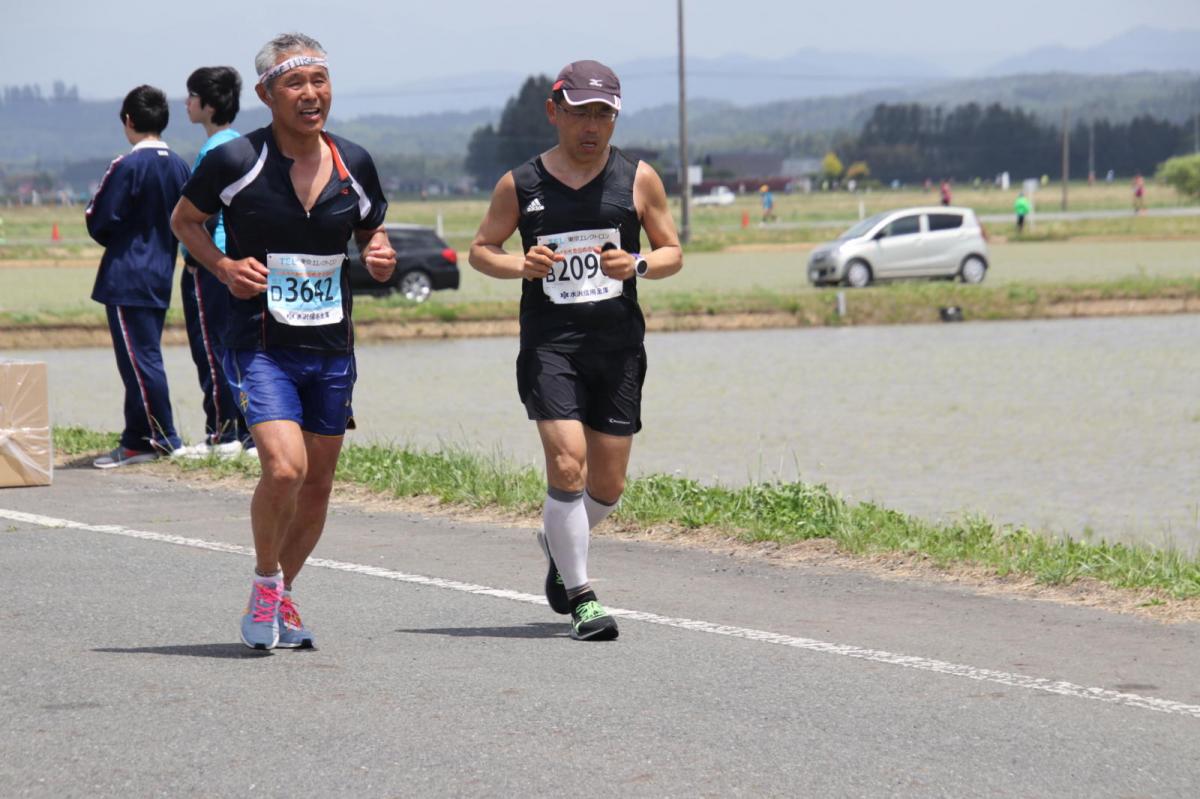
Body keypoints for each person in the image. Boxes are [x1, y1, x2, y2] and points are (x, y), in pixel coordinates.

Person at [171, 32, 396, 650]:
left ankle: (282, 594)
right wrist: (223, 266)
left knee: (317, 484)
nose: (310, 93)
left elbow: (372, 230)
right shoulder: (236, 160)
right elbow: (185, 220)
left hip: (332, 348)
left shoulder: (354, 162)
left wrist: (378, 254)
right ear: (267, 93)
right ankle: (266, 580)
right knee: (284, 467)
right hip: (260, 342)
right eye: (295, 83)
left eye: (319, 80)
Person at [469, 60, 683, 641]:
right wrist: (521, 264)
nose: (592, 127)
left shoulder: (638, 178)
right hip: (551, 345)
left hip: (617, 346)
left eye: (603, 116)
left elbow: (671, 252)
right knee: (567, 464)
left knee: (607, 486)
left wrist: (637, 263)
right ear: (554, 112)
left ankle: (560, 541)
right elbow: (482, 249)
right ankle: (583, 599)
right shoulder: (521, 183)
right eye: (581, 114)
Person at [86, 85, 191, 468]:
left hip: (126, 275)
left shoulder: (127, 165)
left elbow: (98, 219)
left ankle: (165, 438)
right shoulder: (180, 166)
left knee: (140, 360)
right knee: (140, 358)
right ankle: (135, 439)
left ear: (129, 121)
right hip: (160, 272)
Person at [174, 65, 253, 459]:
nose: (186, 103)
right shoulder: (242, 145)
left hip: (209, 265)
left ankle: (222, 434)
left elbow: (199, 215)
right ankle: (249, 433)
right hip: (237, 261)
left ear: (208, 104)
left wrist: (195, 256)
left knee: (211, 349)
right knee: (239, 349)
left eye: (191, 96)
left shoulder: (212, 152)